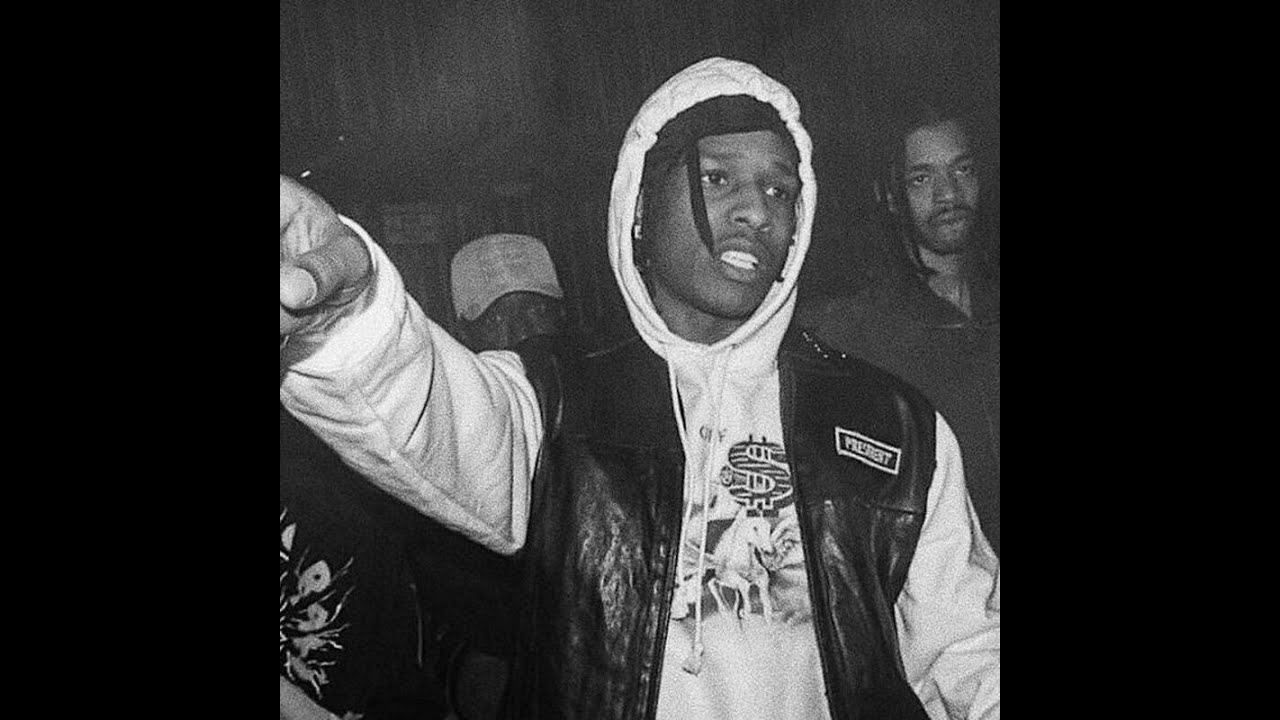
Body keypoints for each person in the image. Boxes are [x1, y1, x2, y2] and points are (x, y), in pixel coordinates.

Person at [280, 57, 999, 720]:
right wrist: (348, 316)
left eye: (779, 189)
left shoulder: (892, 425)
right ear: (639, 206)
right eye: (717, 179)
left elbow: (967, 650)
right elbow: (433, 410)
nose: (757, 210)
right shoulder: (558, 402)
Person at [799, 96, 1001, 554]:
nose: (948, 194)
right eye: (922, 178)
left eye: (962, 170)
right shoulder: (853, 329)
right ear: (890, 195)